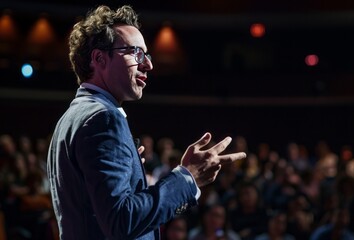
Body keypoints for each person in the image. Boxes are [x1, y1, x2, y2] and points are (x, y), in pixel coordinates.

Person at [46, 5, 246, 240]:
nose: (148, 65)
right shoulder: (104, 119)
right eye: (135, 53)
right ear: (99, 58)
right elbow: (122, 221)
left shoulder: (71, 117)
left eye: (147, 55)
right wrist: (187, 177)